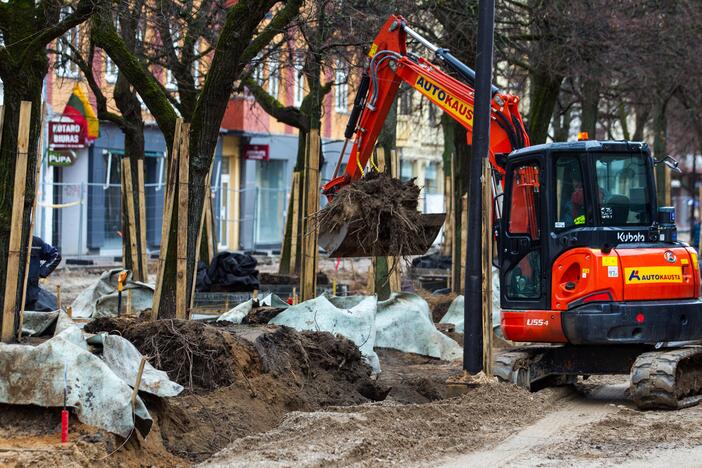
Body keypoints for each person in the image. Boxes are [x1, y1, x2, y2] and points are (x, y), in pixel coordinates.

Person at [25, 236, 61, 311]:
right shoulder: (6, 239)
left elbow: (56, 255)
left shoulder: (35, 242)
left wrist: (41, 272)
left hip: (30, 295)